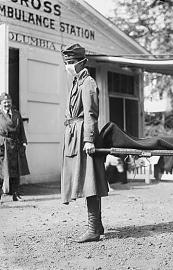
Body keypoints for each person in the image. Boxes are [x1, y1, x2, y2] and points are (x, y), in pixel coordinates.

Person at [61, 44, 108, 243]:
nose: (68, 66)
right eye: (66, 63)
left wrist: (89, 139)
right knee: (85, 181)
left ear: (82, 62)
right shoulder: (76, 82)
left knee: (90, 182)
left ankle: (93, 229)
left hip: (83, 137)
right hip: (74, 135)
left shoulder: (87, 83)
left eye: (71, 63)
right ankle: (97, 225)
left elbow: (90, 113)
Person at [0, 93, 30, 202]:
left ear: (11, 102)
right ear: (1, 103)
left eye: (8, 102)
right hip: (3, 145)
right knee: (1, 171)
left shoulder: (16, 114)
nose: (7, 104)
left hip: (15, 144)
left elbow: (21, 129)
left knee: (15, 171)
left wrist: (24, 141)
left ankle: (16, 194)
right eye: (4, 102)